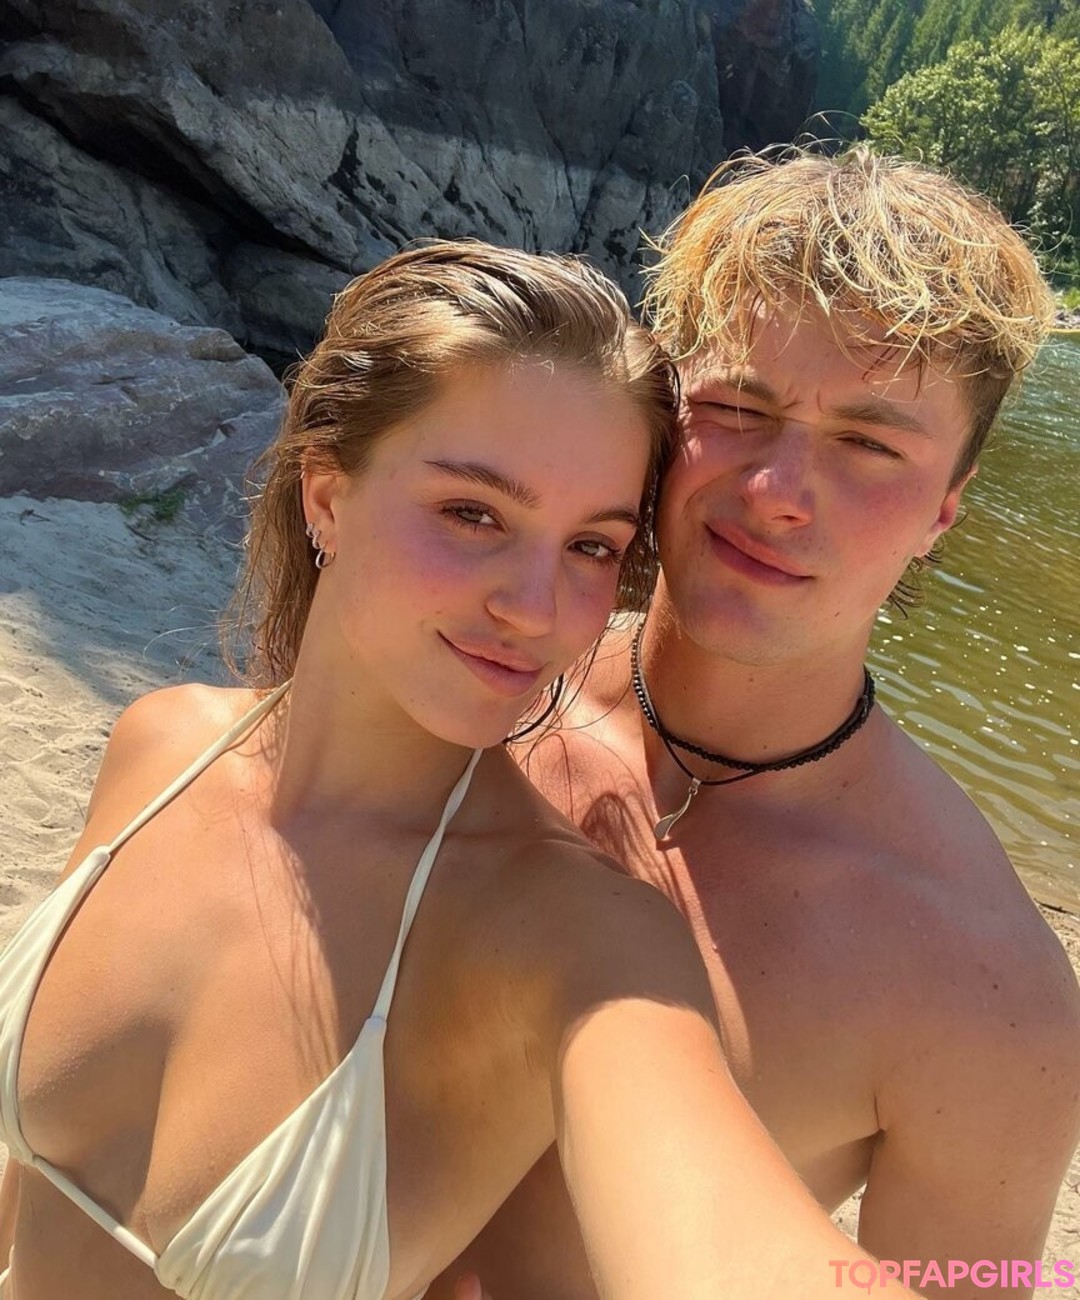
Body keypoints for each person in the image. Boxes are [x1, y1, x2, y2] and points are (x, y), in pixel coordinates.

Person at [0, 241, 912, 1300]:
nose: (534, 607)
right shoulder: (160, 746)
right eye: (474, 513)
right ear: (327, 495)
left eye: (591, 546)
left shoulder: (575, 940)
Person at [431, 151, 1080, 1300]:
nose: (779, 487)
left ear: (945, 509)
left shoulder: (987, 990)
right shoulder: (475, 688)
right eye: (737, 408)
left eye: (869, 444)